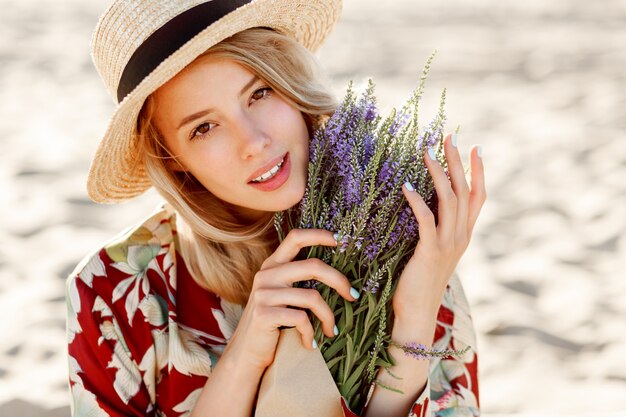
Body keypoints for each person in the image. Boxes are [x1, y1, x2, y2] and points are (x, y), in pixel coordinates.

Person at [66, 1, 486, 416]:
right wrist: (243, 358)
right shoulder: (112, 291)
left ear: (291, 82)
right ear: (171, 157)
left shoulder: (403, 244)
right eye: (204, 127)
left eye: (259, 92)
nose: (254, 142)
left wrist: (412, 323)